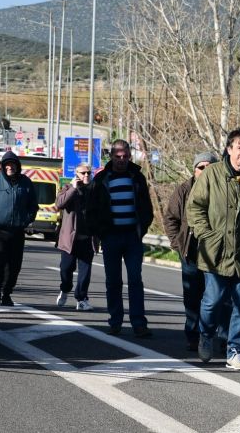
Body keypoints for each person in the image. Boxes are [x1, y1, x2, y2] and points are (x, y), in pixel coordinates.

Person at [187, 128, 240, 368]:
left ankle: (236, 350)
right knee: (213, 301)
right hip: (215, 253)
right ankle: (205, 334)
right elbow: (195, 207)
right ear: (229, 149)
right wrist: (206, 234)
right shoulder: (212, 174)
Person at [87, 139, 154, 337]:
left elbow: (146, 207)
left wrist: (141, 229)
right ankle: (115, 321)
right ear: (111, 156)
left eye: (125, 156)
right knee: (113, 281)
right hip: (111, 237)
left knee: (135, 280)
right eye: (118, 156)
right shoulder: (101, 179)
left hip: (132, 237)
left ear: (130, 156)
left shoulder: (137, 177)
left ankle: (139, 324)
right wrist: (98, 233)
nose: (121, 160)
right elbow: (91, 210)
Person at [164, 151, 219, 351]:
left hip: (216, 254)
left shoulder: (222, 189)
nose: (204, 170)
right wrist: (178, 245)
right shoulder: (184, 190)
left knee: (218, 297)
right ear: (194, 170)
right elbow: (170, 218)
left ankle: (220, 336)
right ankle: (193, 335)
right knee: (192, 297)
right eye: (200, 167)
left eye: (209, 167)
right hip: (191, 254)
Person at [0, 151, 37, 306]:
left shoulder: (26, 182)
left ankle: (7, 293)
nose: (10, 167)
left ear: (18, 166)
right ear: (3, 166)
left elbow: (33, 205)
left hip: (17, 231)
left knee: (14, 265)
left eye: (13, 164)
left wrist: (26, 220)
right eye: (7, 165)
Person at [52, 163, 96, 312]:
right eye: (83, 173)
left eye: (88, 173)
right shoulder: (68, 188)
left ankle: (82, 299)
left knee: (85, 272)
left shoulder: (94, 190)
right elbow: (59, 204)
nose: (86, 175)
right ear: (76, 174)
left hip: (87, 239)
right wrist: (73, 188)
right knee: (66, 269)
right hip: (69, 240)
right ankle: (65, 289)